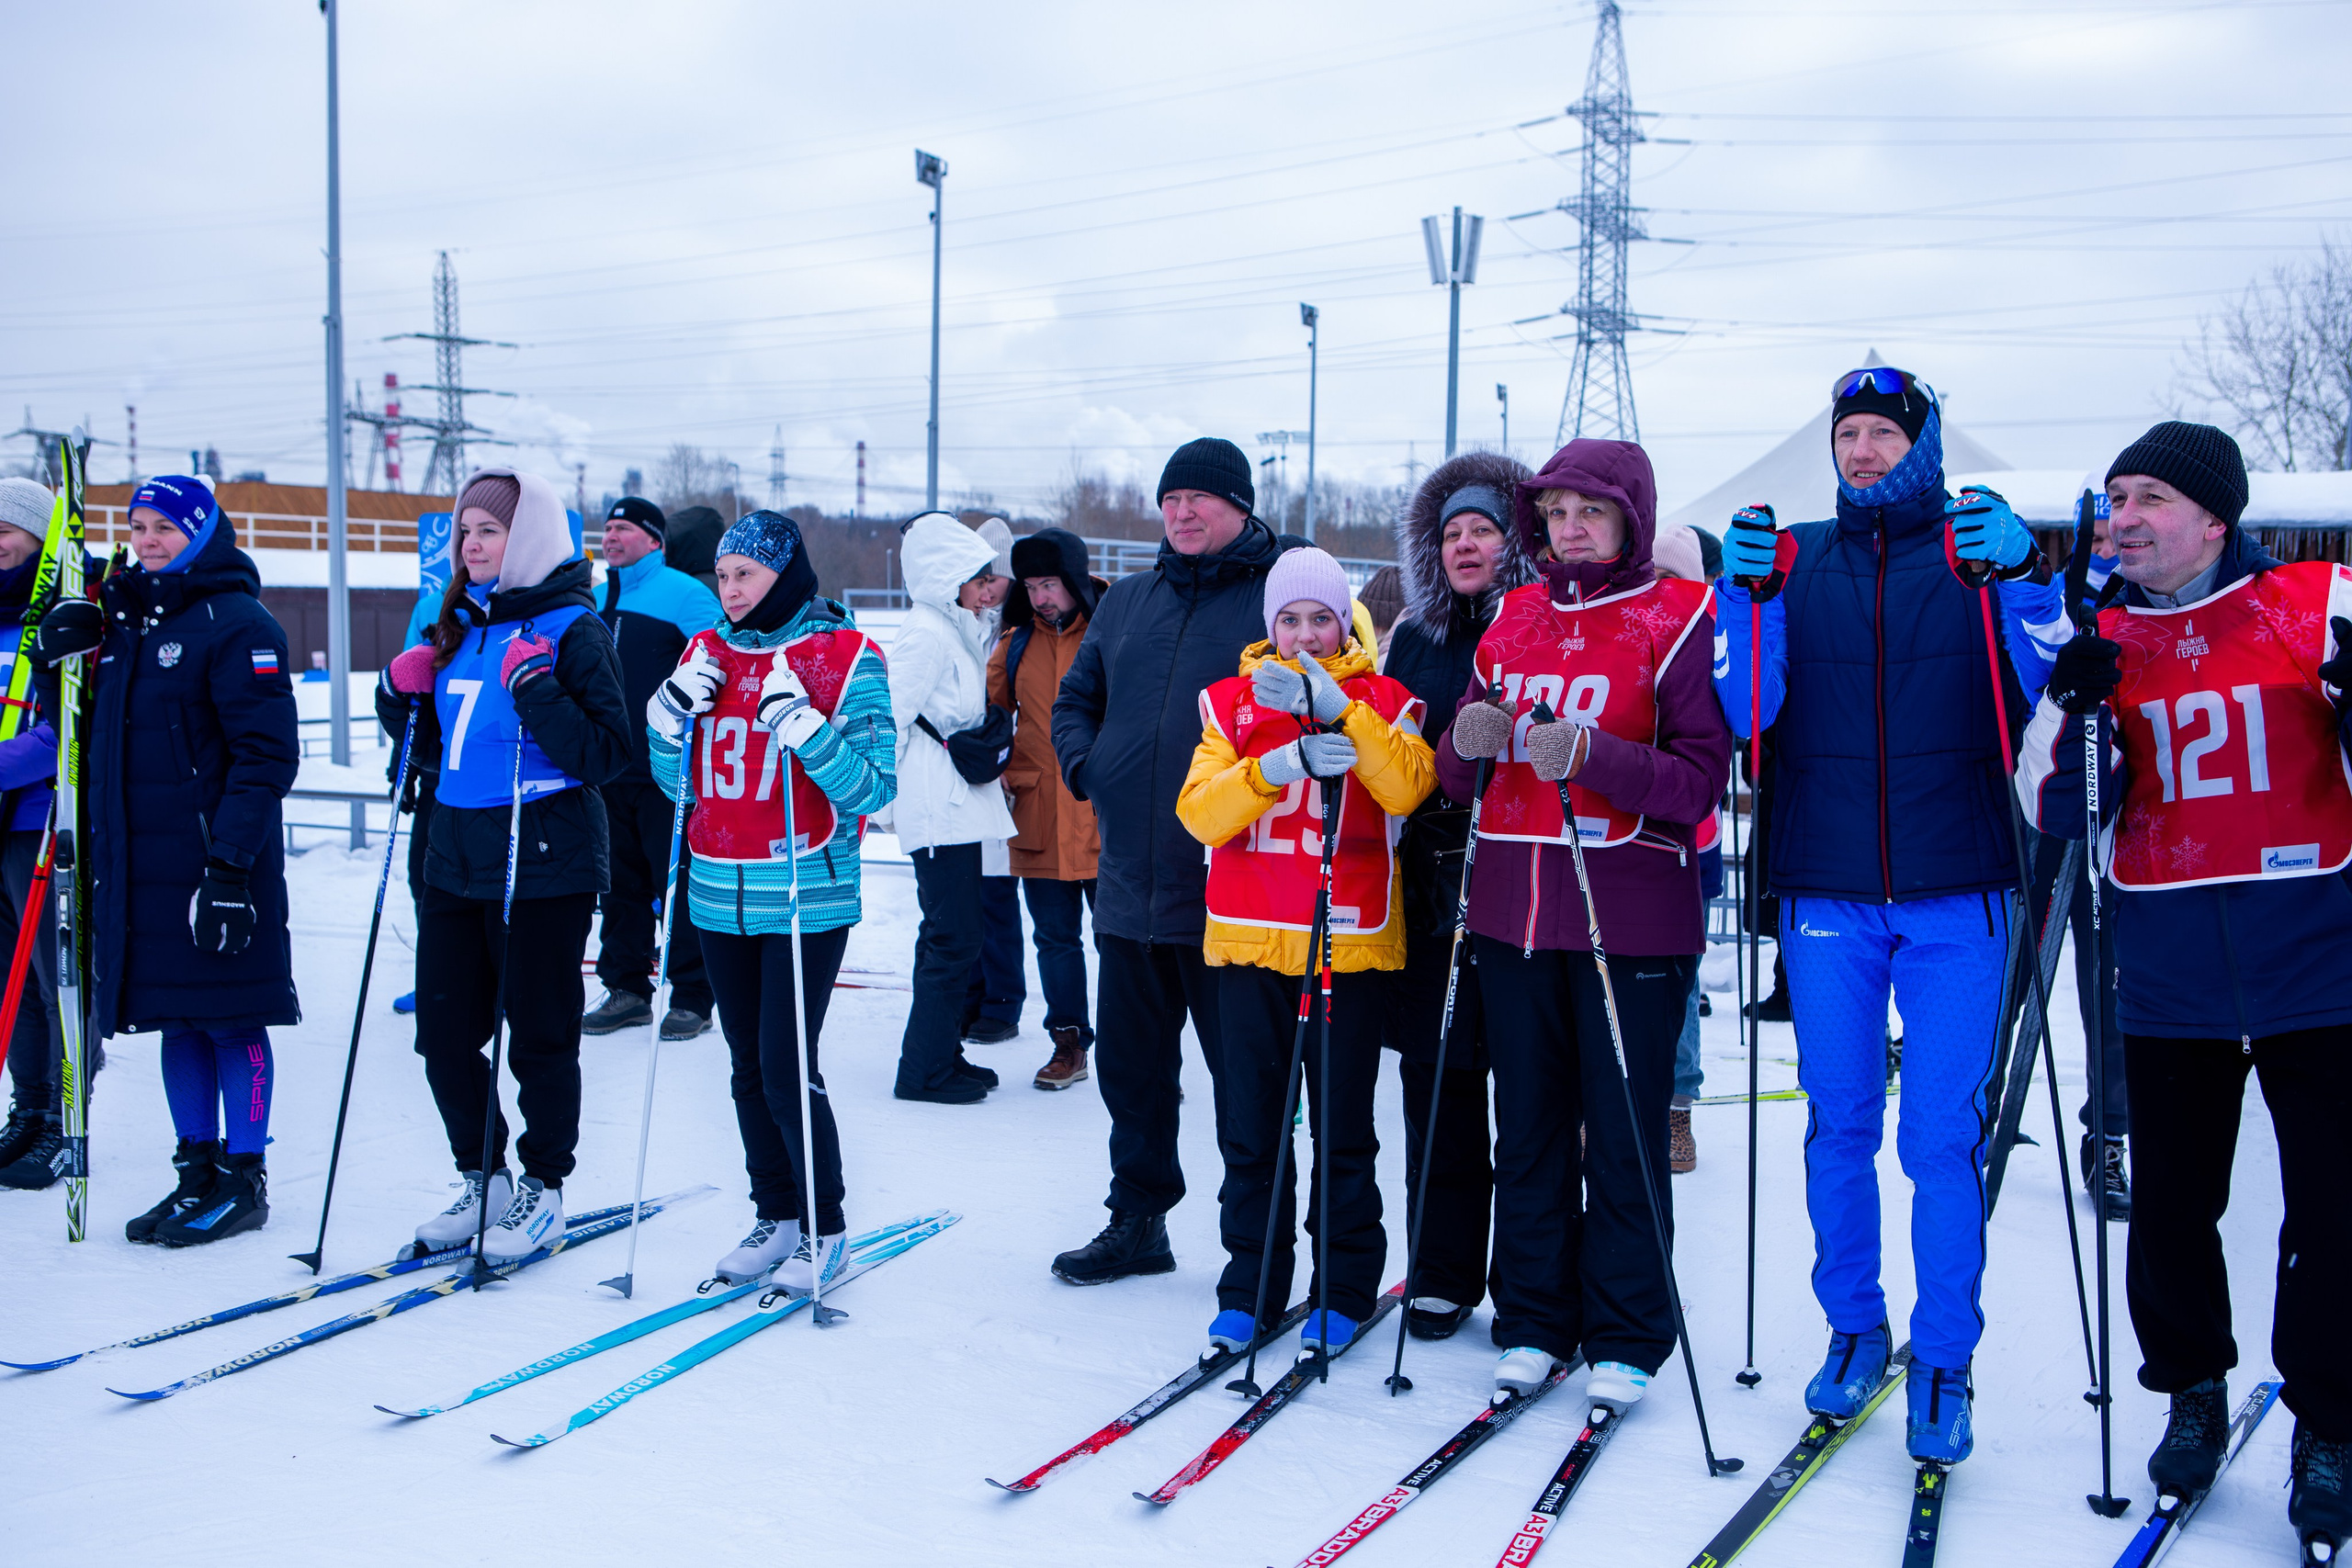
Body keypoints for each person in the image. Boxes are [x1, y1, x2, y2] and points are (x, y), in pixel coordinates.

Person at [1713, 365, 2066, 1465]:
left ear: (1921, 445)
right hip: (1825, 889)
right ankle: (1853, 1326)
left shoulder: (1973, 549)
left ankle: (1945, 1354)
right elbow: (1746, 711)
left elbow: (2051, 685)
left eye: (1883, 434)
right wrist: (1742, 598)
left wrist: (2027, 578)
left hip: (1960, 881)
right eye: (1848, 433)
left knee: (1941, 1140)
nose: (1863, 451)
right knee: (1838, 1124)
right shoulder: (1796, 557)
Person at [2019, 421, 2352, 1548]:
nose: (2124, 516)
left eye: (2150, 495)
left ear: (2216, 517)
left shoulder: (2317, 601)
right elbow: (2053, 813)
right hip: (2166, 973)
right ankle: (2192, 1395)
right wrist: (2076, 712)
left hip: (2319, 962)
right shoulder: (2100, 634)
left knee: (2337, 1213)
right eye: (2113, 496)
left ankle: (2333, 1425)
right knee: (2166, 1207)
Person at [1437, 438, 1729, 1416]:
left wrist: (1594, 755)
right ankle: (1532, 1317)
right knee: (1523, 1130)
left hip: (1627, 920)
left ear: (1629, 520)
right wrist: (1464, 746)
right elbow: (1457, 775)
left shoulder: (1679, 616)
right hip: (1513, 916)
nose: (1569, 529)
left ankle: (1628, 1328)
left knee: (1622, 1134)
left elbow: (1697, 781)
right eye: (1556, 512)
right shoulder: (1513, 617)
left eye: (1590, 513)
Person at [1048, 437, 1297, 1285]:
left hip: (1236, 890)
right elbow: (1077, 697)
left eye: (1201, 498)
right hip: (1128, 883)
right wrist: (1091, 767)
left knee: (1247, 1085)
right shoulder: (1127, 604)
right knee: (1132, 1071)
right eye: (1171, 499)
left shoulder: (1277, 600)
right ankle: (1138, 1220)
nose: (1183, 513)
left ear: (1240, 505)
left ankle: (1254, 1251)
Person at [30, 474, 300, 1243]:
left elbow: (265, 757)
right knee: (178, 1021)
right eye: (140, 525)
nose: (149, 540)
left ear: (205, 531)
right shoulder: (124, 624)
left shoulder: (238, 622)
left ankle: (244, 1181)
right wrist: (57, 666)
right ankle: (195, 1173)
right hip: (139, 868)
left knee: (231, 1017)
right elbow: (84, 738)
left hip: (215, 867)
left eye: (167, 527)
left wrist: (228, 870)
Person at [1179, 547, 1433, 1355]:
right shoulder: (1229, 702)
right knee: (1251, 1129)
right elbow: (1200, 813)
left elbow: (1408, 788)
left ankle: (1346, 1284)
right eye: (1289, 619)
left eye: (1321, 618)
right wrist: (1278, 762)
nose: (1305, 634)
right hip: (1251, 943)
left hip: (1345, 946)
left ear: (1344, 622)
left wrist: (1341, 711)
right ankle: (1248, 1284)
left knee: (1342, 1128)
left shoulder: (1385, 698)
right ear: (1270, 626)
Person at [375, 468, 630, 1261]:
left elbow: (609, 755)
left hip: (543, 860)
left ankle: (543, 1187)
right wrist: (397, 691)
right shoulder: (459, 621)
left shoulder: (570, 628)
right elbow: (428, 746)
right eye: (466, 531)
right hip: (452, 857)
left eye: (491, 530)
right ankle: (481, 1174)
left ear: (529, 539)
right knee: (444, 1034)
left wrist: (538, 689)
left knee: (540, 1037)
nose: (473, 543)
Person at [647, 511, 895, 1288]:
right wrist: (664, 719)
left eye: (745, 574)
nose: (730, 590)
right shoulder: (704, 650)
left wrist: (806, 726)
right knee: (746, 1065)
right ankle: (776, 1212)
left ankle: (827, 1225)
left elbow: (875, 788)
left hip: (806, 892)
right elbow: (680, 788)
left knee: (789, 1064)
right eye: (722, 576)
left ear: (783, 574)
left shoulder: (849, 655)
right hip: (718, 890)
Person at [1381, 450, 1539, 1338]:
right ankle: (1440, 1269)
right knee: (1434, 1077)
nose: (1467, 544)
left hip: (1520, 875)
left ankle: (1526, 1277)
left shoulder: (1538, 625)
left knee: (1524, 1084)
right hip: (1431, 881)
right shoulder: (1415, 635)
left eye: (1484, 529)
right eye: (1452, 533)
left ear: (1514, 539)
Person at [888, 511, 1015, 1104]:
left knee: (951, 935)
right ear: (948, 576)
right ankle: (923, 1070)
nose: (986, 585)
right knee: (952, 937)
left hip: (954, 805)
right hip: (935, 806)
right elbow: (885, 718)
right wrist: (889, 804)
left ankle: (940, 1053)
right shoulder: (925, 633)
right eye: (976, 574)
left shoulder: (954, 628)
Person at [584, 496, 722, 1040]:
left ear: (654, 540)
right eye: (608, 528)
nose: (611, 536)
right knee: (618, 888)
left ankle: (691, 995)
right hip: (607, 771)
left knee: (681, 885)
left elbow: (720, 671)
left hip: (669, 772)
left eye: (623, 528)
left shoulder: (688, 595)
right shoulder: (595, 598)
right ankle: (626, 990)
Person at [987, 526, 1107, 1091]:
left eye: (1051, 583)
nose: (1041, 597)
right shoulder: (1016, 645)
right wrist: (1000, 766)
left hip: (1106, 815)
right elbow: (988, 716)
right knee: (1054, 940)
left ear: (1075, 580)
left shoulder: (1112, 629)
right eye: (1032, 585)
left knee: (1125, 943)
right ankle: (1068, 1044)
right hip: (1037, 816)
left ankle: (1143, 1052)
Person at [0, 478, 70, 1190]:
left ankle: (60, 1120)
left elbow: (62, 731)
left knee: (50, 979)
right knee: (6, 982)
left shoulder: (56, 618)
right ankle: (26, 1111)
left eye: (7, 529)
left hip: (35, 822)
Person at [962, 516, 1027, 1048]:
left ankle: (1004, 1000)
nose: (987, 589)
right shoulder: (966, 623)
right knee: (980, 892)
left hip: (1014, 775)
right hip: (975, 773)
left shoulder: (1018, 630)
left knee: (1000, 894)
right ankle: (976, 993)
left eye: (994, 578)